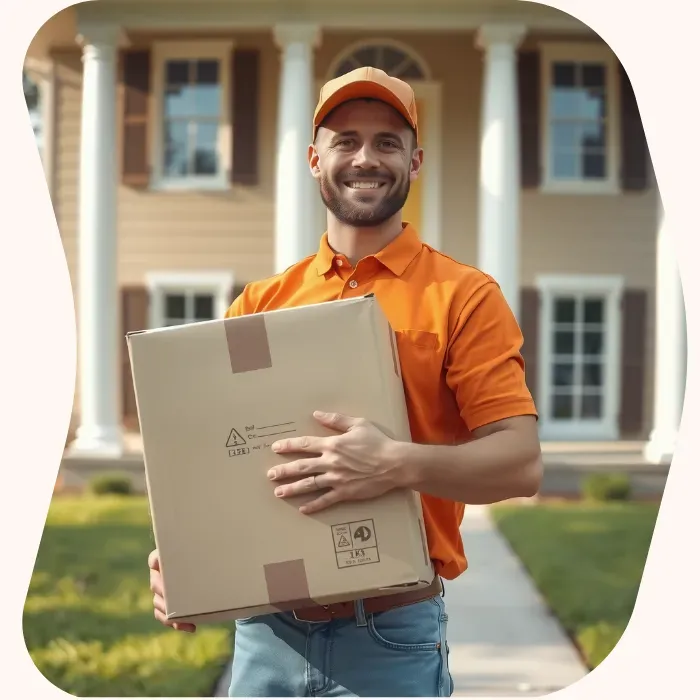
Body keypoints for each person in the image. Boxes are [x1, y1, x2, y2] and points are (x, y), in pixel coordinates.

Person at [148, 66, 542, 697]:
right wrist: (184, 559)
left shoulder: (464, 297)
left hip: (391, 639)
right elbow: (213, 465)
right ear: (314, 159)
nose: (367, 158)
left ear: (415, 162)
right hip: (265, 637)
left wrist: (394, 463)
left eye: (387, 142)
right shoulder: (261, 303)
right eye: (346, 140)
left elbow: (519, 464)